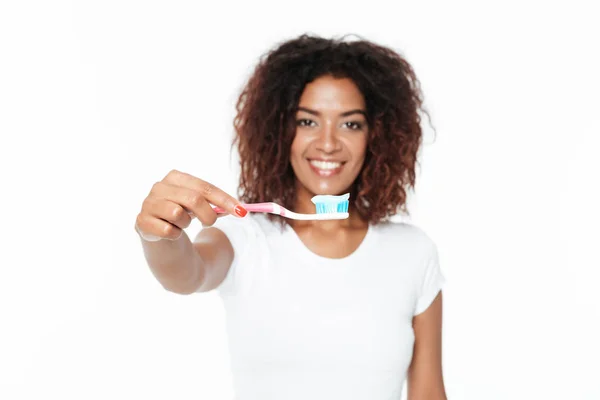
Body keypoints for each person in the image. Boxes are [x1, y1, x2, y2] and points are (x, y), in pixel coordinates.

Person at [135, 34, 447, 400]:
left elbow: (428, 392)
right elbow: (187, 273)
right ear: (279, 130)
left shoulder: (412, 252)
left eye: (350, 124)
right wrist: (159, 236)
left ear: (376, 136)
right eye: (307, 122)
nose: (328, 143)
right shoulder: (244, 237)